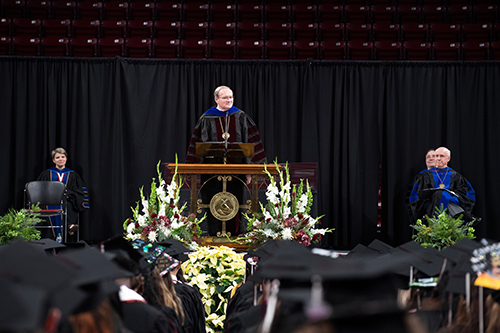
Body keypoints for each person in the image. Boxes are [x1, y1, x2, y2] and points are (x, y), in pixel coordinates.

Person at [185, 86, 267, 236]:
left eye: (231, 97)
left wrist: (250, 171)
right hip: (210, 173)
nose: (229, 100)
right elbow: (196, 147)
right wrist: (193, 170)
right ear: (216, 99)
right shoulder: (206, 119)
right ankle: (214, 236)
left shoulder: (241, 117)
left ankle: (236, 237)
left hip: (237, 172)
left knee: (236, 204)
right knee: (213, 203)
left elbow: (252, 144)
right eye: (225, 98)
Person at [408, 147, 476, 222]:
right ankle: (459, 213)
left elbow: (465, 195)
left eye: (442, 156)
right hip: (431, 206)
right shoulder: (425, 176)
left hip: (451, 203)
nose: (438, 158)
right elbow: (418, 196)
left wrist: (447, 196)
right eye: (436, 156)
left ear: (448, 158)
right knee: (439, 193)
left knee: (442, 194)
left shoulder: (456, 176)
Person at [37, 147, 89, 240]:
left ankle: (70, 227)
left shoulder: (73, 175)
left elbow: (78, 192)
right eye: (57, 157)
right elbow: (39, 190)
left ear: (66, 158)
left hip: (67, 201)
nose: (60, 159)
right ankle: (57, 234)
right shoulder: (46, 174)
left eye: (62, 157)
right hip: (49, 202)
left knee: (67, 204)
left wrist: (66, 193)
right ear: (53, 160)